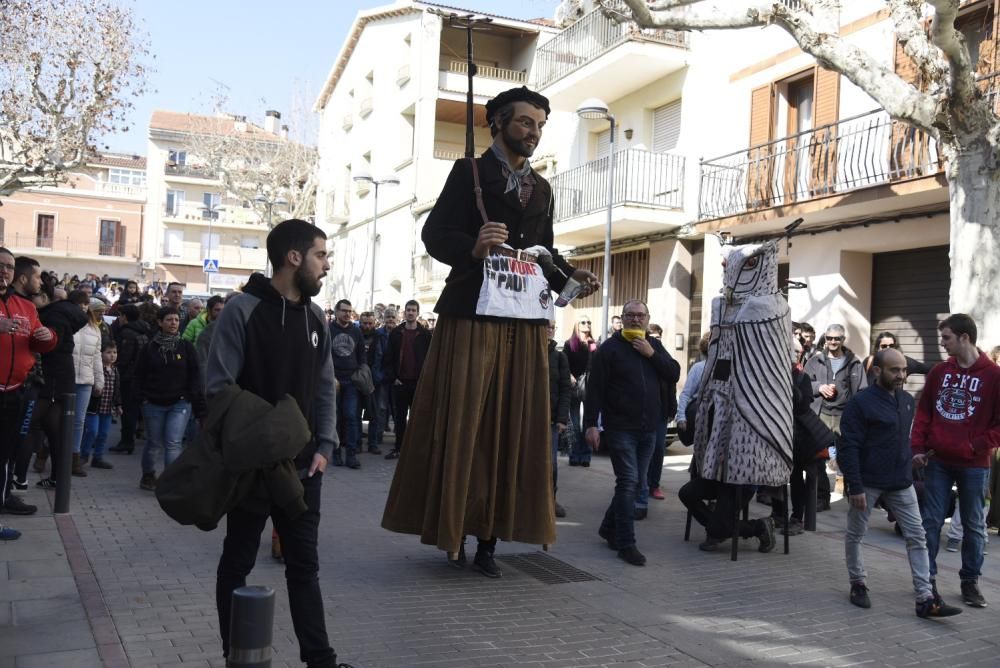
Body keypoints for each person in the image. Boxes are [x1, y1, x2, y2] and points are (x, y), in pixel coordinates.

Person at [381, 86, 599, 577]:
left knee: (515, 426)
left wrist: (569, 278)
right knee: (466, 424)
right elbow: (434, 235)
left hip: (521, 320)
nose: (534, 132)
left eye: (540, 125)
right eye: (525, 122)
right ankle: (453, 526)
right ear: (497, 124)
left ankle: (490, 541)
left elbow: (542, 251)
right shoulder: (468, 173)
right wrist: (473, 247)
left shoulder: (542, 188)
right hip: (472, 314)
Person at [207, 218, 343, 668]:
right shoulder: (242, 311)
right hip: (252, 470)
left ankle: (320, 660)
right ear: (294, 257)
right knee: (238, 561)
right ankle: (238, 656)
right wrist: (263, 439)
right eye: (321, 255)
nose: (326, 265)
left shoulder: (317, 316)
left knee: (304, 567)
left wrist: (325, 445)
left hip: (305, 470)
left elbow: (326, 386)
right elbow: (219, 388)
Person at [839, 347, 962, 618]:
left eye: (904, 370)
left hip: (901, 481)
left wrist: (912, 457)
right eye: (895, 370)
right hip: (868, 483)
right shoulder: (860, 403)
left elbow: (899, 439)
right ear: (877, 371)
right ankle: (858, 583)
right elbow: (849, 446)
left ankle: (925, 597)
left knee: (917, 536)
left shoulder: (906, 400)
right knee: (856, 534)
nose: (902, 375)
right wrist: (855, 486)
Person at [912, 313, 1000, 609]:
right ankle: (928, 579)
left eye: (947, 337)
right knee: (931, 521)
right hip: (937, 461)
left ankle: (970, 582)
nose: (942, 343)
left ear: (965, 337)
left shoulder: (994, 376)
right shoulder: (939, 372)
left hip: (974, 465)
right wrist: (918, 448)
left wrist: (974, 446)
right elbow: (924, 413)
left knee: (975, 525)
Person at [585, 300, 680, 566]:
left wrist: (651, 353)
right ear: (623, 318)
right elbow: (595, 389)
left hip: (650, 428)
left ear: (648, 318)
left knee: (636, 483)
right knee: (628, 482)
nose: (636, 320)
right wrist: (591, 424)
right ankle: (626, 543)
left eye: (641, 315)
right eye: (631, 315)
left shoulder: (654, 345)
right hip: (621, 428)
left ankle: (608, 527)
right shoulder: (610, 349)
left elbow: (673, 372)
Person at [1, 252, 56, 535]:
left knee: (5, 453)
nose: (5, 271)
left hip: (15, 391)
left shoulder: (25, 305)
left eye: (9, 267)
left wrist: (47, 338)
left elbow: (34, 340)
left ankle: (4, 502)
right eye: (1, 266)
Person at [133, 306, 205, 491]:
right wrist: (142, 398)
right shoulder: (150, 348)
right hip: (153, 402)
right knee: (154, 443)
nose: (173, 323)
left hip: (180, 402)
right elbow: (139, 374)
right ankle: (148, 476)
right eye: (169, 320)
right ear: (159, 322)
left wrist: (192, 397)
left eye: (176, 320)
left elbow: (195, 374)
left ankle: (170, 482)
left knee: (173, 443)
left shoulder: (186, 346)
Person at [31, 278, 88, 488]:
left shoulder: (52, 316)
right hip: (60, 380)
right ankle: (58, 478)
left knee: (33, 426)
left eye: (34, 296)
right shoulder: (61, 313)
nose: (30, 300)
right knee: (55, 431)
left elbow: (51, 350)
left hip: (52, 381)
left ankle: (21, 479)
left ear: (45, 297)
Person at [804, 323, 866, 510]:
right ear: (825, 338)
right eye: (829, 338)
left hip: (844, 417)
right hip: (820, 414)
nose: (833, 341)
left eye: (837, 338)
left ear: (842, 340)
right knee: (817, 457)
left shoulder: (854, 362)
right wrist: (819, 388)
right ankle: (821, 497)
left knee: (845, 456)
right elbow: (804, 384)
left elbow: (862, 391)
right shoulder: (815, 361)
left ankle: (851, 493)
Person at [381, 300, 431, 461]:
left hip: (417, 383)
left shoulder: (424, 334)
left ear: (417, 313)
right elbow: (388, 358)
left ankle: (415, 450)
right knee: (400, 418)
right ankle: (398, 448)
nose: (410, 313)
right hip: (400, 382)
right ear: (404, 312)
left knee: (418, 418)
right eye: (408, 310)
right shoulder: (396, 333)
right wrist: (393, 378)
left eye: (413, 310)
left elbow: (429, 358)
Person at [636, 322, 676, 514]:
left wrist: (672, 409)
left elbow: (673, 374)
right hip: (634, 413)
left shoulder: (658, 351)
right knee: (639, 453)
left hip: (658, 411)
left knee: (658, 448)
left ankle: (653, 485)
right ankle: (638, 488)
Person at [70, 296, 106, 476]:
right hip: (66, 380)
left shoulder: (95, 330)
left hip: (85, 381)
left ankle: (73, 459)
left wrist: (100, 380)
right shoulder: (69, 324)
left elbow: (97, 357)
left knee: (79, 422)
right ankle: (46, 450)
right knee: (58, 419)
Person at [109, 304, 150, 454]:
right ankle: (128, 440)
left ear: (125, 316)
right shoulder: (144, 330)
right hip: (140, 376)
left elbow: (124, 357)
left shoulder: (127, 333)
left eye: (120, 316)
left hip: (128, 377)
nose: (119, 319)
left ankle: (126, 441)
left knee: (127, 411)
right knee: (133, 410)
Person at [329, 299, 365, 469]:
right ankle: (336, 453)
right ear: (336, 312)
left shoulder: (356, 331)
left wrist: (360, 372)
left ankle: (351, 454)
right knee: (335, 417)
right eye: (344, 311)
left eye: (349, 311)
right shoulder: (328, 330)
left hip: (351, 380)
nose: (347, 314)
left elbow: (361, 355)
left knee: (350, 416)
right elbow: (323, 355)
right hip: (333, 380)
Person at [80, 341, 121, 470]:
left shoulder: (115, 370)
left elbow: (117, 390)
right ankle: (83, 455)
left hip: (108, 408)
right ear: (101, 354)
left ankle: (98, 457)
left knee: (103, 433)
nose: (112, 355)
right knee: (92, 431)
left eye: (114, 352)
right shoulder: (96, 369)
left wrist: (118, 405)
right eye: (108, 352)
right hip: (94, 407)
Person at [564, 315, 597, 467]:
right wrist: (570, 376)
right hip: (574, 387)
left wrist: (592, 346)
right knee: (575, 425)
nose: (587, 324)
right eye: (583, 322)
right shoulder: (569, 344)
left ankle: (585, 456)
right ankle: (574, 455)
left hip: (590, 387)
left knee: (587, 424)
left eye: (589, 322)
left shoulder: (593, 345)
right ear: (577, 325)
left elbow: (597, 366)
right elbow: (564, 365)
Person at [547, 321, 571, 519]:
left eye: (552, 326)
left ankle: (550, 499)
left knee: (551, 464)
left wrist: (562, 418)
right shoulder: (526, 351)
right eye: (545, 325)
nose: (549, 329)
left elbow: (565, 389)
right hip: (528, 418)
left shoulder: (559, 357)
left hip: (551, 419)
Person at [862, 331, 936, 387]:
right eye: (884, 346)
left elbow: (927, 368)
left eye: (891, 345)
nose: (888, 349)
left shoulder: (903, 362)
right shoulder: (869, 362)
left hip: (893, 406)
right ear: (877, 348)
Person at [358, 311, 386, 455]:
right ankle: (357, 443)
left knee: (375, 414)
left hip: (375, 381)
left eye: (370, 323)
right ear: (360, 322)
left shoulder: (379, 337)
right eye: (365, 323)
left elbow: (383, 357)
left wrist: (378, 377)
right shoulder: (356, 335)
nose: (368, 325)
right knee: (356, 413)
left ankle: (372, 443)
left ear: (374, 323)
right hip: (359, 379)